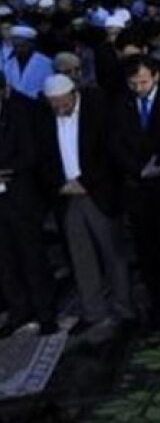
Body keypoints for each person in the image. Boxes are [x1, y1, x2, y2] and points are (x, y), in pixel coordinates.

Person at [39, 74, 134, 334]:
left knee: (112, 253)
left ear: (73, 94)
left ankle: (124, 309)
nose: (60, 108)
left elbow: (107, 154)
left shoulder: (97, 113)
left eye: (63, 102)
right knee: (81, 256)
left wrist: (85, 182)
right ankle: (93, 311)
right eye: (54, 104)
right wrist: (61, 184)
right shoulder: (45, 118)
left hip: (97, 192)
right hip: (67, 195)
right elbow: (44, 158)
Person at [109, 55, 160, 328]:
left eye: (143, 82)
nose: (138, 88)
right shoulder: (121, 103)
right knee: (147, 253)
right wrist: (139, 169)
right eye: (133, 83)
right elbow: (116, 142)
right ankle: (159, 305)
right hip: (139, 188)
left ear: (155, 76)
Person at [0, 72, 58, 336]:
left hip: (21, 194)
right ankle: (19, 310)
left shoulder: (22, 112)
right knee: (5, 259)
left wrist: (7, 169)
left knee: (32, 255)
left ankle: (45, 312)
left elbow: (32, 152)